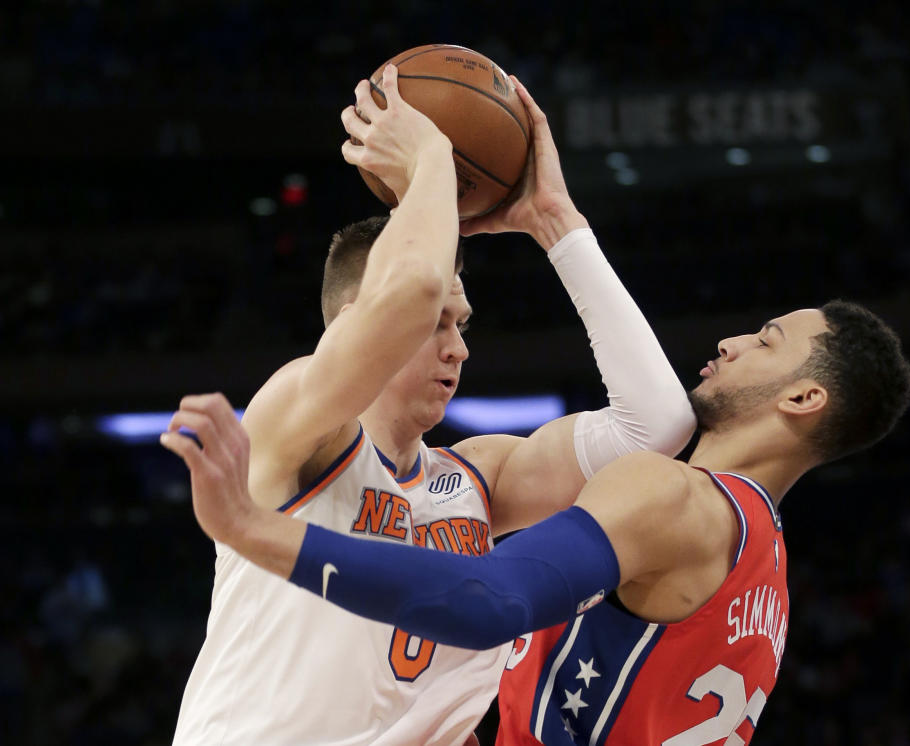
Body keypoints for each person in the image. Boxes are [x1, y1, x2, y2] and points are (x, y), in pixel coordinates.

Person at [165, 65, 695, 745]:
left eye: (463, 325)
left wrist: (555, 222)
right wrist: (431, 157)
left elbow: (657, 425)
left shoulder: (474, 479)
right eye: (443, 324)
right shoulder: (297, 425)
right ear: (355, 319)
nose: (458, 348)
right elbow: (411, 290)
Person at [163, 300, 910, 745]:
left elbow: (489, 603)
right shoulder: (767, 573)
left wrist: (252, 528)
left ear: (805, 399)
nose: (732, 342)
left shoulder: (674, 496)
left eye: (768, 341)